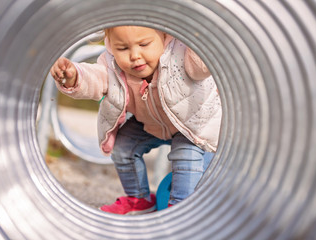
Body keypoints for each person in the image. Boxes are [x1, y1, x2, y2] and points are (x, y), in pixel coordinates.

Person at [50, 26, 222, 215]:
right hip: (150, 124)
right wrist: (74, 76)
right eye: (123, 48)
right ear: (111, 47)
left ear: (164, 36)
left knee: (186, 156)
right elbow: (95, 77)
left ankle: (180, 210)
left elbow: (202, 64)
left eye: (144, 44)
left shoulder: (181, 53)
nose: (134, 55)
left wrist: (203, 36)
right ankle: (139, 199)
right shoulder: (112, 66)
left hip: (192, 124)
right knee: (124, 147)